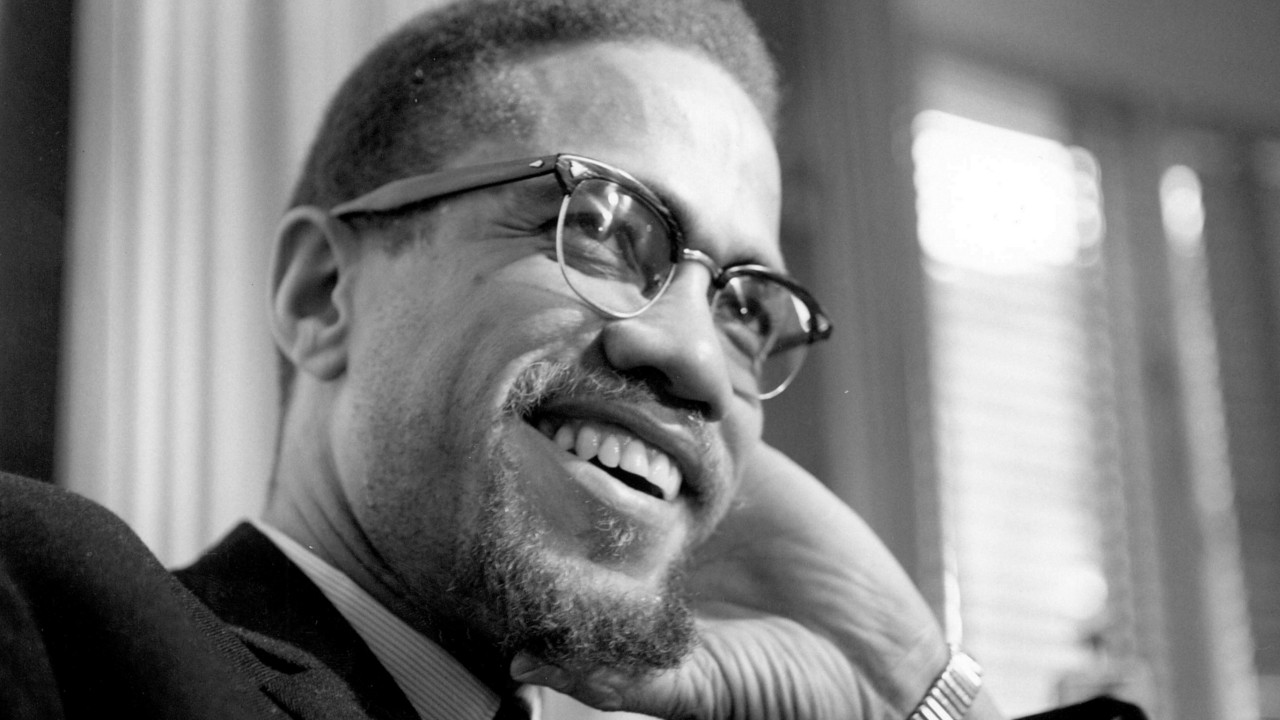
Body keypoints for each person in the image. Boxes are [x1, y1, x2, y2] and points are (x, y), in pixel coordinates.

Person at [0, 1, 1145, 718]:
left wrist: (906, 674)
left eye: (746, 308)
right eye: (600, 225)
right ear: (321, 296)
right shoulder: (54, 620)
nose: (696, 359)